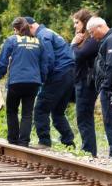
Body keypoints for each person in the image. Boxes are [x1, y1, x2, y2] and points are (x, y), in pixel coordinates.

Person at [0, 17, 48, 146]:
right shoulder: (38, 42)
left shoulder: (12, 40)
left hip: (16, 81)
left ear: (16, 29)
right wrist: (42, 80)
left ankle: (13, 140)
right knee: (27, 113)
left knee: (12, 110)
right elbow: (44, 64)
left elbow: (3, 62)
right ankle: (24, 142)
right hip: (33, 82)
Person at [25, 16, 75, 149]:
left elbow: (48, 60)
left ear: (30, 27)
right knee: (58, 112)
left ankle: (44, 142)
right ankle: (69, 142)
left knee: (40, 108)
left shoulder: (42, 36)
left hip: (58, 74)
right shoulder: (49, 32)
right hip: (69, 74)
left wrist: (42, 80)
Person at [87, 16, 112, 160]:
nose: (92, 36)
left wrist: (105, 86)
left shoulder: (111, 40)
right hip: (111, 88)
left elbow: (111, 66)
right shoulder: (111, 39)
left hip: (111, 89)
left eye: (92, 32)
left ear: (99, 27)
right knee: (111, 119)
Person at [70, 9, 99, 157]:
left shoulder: (92, 40)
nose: (75, 26)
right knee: (83, 116)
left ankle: (89, 150)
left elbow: (79, 55)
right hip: (81, 82)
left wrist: (74, 44)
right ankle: (88, 148)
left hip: (87, 83)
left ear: (85, 23)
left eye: (77, 22)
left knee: (84, 116)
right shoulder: (84, 39)